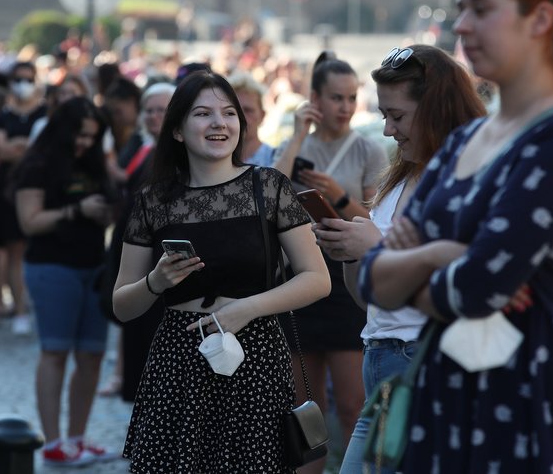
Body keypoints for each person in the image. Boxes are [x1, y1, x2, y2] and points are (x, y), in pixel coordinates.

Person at [360, 0, 553, 472]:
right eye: (461, 9)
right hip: (447, 407)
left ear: (540, 20)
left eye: (480, 9)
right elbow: (372, 278)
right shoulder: (467, 140)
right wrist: (447, 254)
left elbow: (477, 288)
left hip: (534, 408)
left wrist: (420, 259)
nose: (461, 25)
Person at [113, 70, 331, 473]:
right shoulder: (154, 200)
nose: (219, 123)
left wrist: (245, 310)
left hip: (256, 355)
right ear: (177, 130)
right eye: (203, 114)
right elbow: (122, 306)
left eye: (229, 113)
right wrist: (154, 282)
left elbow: (317, 279)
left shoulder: (269, 187)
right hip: (179, 360)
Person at [309, 45, 486, 473]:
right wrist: (351, 254)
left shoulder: (469, 179)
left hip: (424, 364)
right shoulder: (398, 179)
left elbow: (473, 285)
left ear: (437, 111)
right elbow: (365, 300)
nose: (387, 130)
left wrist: (374, 250)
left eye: (398, 116)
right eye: (384, 115)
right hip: (383, 360)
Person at [273, 53, 387, 471]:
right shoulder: (295, 146)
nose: (345, 107)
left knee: (354, 404)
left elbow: (377, 223)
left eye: (352, 97)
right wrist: (298, 136)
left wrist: (336, 195)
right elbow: (268, 198)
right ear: (314, 100)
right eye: (335, 98)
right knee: (306, 408)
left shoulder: (368, 150)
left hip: (344, 282)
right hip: (298, 279)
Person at [13, 97, 116, 467]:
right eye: (81, 134)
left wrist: (105, 213)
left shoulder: (92, 165)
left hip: (93, 266)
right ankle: (53, 441)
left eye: (92, 136)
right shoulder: (37, 164)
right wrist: (77, 210)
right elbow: (30, 221)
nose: (85, 142)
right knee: (55, 352)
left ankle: (77, 437)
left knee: (92, 355)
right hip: (51, 266)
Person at [100, 81, 175, 400]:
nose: (155, 116)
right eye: (150, 110)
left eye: (162, 110)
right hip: (130, 253)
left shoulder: (176, 157)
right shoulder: (142, 146)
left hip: (157, 266)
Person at [0, 61, 46, 334]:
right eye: (18, 78)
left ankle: (36, 305)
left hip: (42, 190)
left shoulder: (45, 113)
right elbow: (1, 150)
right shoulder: (2, 116)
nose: (23, 83)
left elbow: (43, 150)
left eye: (28, 78)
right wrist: (26, 147)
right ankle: (19, 309)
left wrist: (19, 148)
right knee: (13, 251)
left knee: (38, 251)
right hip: (9, 191)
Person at [228, 71, 275, 167]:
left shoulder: (275, 158)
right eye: (233, 111)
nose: (240, 116)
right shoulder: (215, 159)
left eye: (248, 110)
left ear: (262, 116)